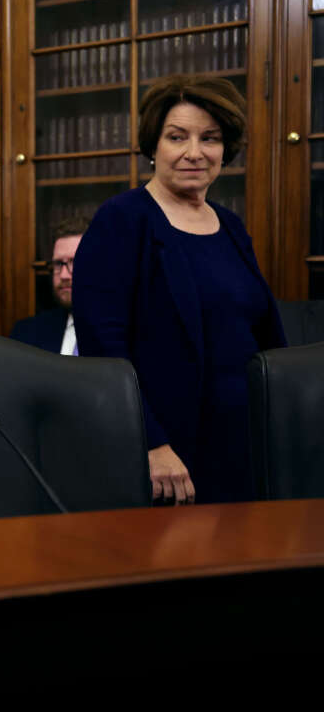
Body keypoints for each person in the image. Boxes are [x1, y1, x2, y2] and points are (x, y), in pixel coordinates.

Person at [73, 74, 285, 506]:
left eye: (209, 138)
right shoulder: (122, 220)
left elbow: (263, 333)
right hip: (170, 455)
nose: (194, 152)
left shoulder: (231, 227)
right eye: (177, 137)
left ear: (225, 150)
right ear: (154, 145)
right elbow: (103, 346)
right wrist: (150, 443)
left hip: (246, 444)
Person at [9, 216, 88, 355]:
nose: (64, 275)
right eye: (58, 264)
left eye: (74, 262)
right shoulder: (26, 334)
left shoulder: (128, 332)